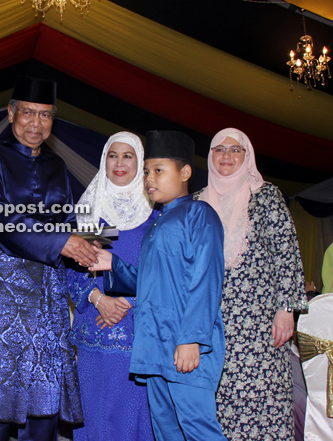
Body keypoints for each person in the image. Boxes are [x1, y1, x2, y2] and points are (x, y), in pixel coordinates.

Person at [0, 76, 96, 441]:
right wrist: (62, 242)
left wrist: (91, 252)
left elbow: (70, 222)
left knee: (45, 401)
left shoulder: (58, 166)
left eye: (45, 115)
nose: (36, 123)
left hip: (46, 296)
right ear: (11, 113)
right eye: (28, 113)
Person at [91, 130, 227, 440]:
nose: (149, 178)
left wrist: (192, 339)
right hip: (155, 344)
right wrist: (114, 265)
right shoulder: (158, 223)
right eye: (148, 171)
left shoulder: (199, 214)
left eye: (159, 170)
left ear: (185, 172)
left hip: (185, 344)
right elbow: (152, 283)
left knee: (198, 428)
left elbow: (206, 281)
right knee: (166, 431)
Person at [194, 127, 308, 440]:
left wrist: (287, 310)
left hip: (261, 327)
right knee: (214, 405)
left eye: (235, 149)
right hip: (211, 324)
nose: (226, 156)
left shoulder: (266, 197)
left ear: (248, 156)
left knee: (263, 403)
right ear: (210, 156)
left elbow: (287, 253)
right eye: (219, 149)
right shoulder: (196, 203)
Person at [68, 132, 157, 440]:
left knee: (133, 415)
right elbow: (68, 266)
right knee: (94, 415)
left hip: (139, 330)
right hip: (93, 329)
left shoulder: (156, 214)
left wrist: (128, 301)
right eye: (113, 155)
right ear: (104, 160)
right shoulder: (87, 212)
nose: (120, 163)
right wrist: (97, 299)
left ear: (141, 162)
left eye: (128, 155)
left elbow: (164, 271)